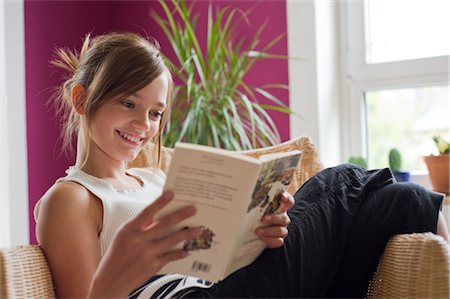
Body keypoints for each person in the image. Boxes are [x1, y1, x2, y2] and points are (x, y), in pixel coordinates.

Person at [34, 32, 449, 299]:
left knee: (400, 200)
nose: (143, 126)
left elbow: (209, 256)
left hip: (223, 285)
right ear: (82, 99)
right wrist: (124, 260)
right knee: (339, 182)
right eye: (129, 104)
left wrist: (259, 234)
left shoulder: (155, 178)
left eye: (156, 113)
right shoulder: (72, 198)